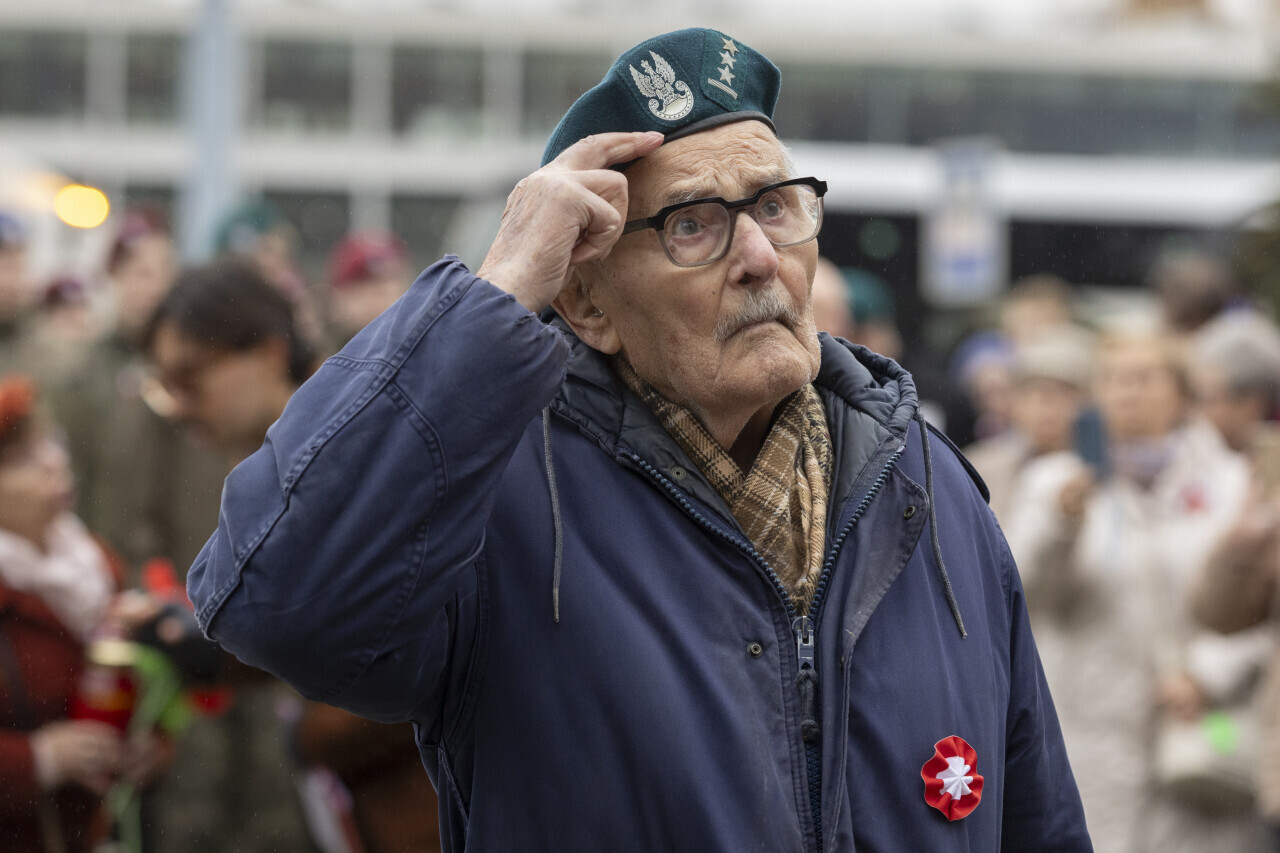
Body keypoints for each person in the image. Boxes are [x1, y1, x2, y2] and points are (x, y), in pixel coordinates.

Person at [186, 29, 1090, 851]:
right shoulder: (501, 501)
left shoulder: (928, 490)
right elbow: (277, 605)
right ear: (588, 305)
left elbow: (1039, 822)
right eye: (693, 224)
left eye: (776, 206)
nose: (760, 257)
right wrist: (496, 292)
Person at [146, 260, 438, 853]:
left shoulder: (357, 437)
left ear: (268, 351)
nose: (178, 405)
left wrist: (312, 736)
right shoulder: (293, 450)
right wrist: (210, 650)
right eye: (164, 386)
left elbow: (424, 640)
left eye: (189, 377)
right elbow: (328, 616)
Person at [1001, 327, 1269, 852]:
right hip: (1091, 734)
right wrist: (1063, 523)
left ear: (1183, 394)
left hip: (1201, 734)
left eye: (1145, 378)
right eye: (1114, 379)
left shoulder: (1233, 483)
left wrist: (1209, 674)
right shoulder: (1053, 482)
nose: (1127, 393)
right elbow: (1019, 590)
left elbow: (1263, 604)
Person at [0, 374, 168, 852]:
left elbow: (135, 683)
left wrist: (152, 744)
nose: (53, 462)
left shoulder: (93, 562)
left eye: (50, 442)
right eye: (24, 459)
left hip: (93, 832)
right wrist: (39, 760)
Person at [322, 231, 413, 352]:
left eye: (396, 291)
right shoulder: (313, 354)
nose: (389, 302)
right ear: (341, 296)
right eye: (378, 292)